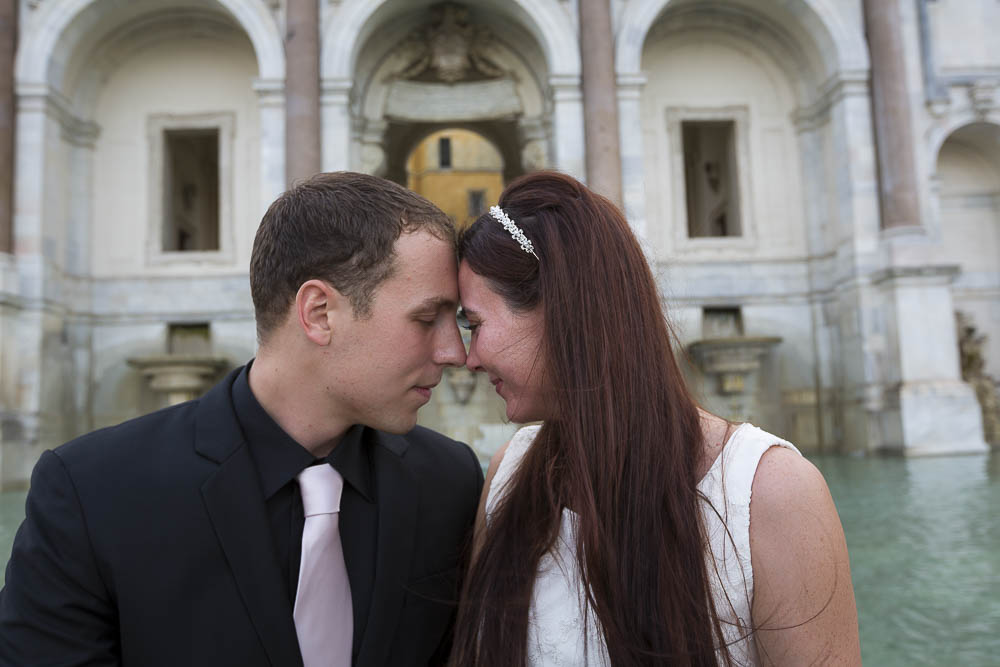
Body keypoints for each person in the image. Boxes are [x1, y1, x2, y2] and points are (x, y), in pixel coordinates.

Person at [0, 172, 484, 667]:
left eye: (460, 322)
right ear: (319, 313)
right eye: (428, 319)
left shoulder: (451, 481)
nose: (456, 352)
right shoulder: (90, 492)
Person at [450, 171, 861, 666]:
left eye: (474, 324)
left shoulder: (773, 493)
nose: (466, 358)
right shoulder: (508, 474)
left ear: (560, 310)